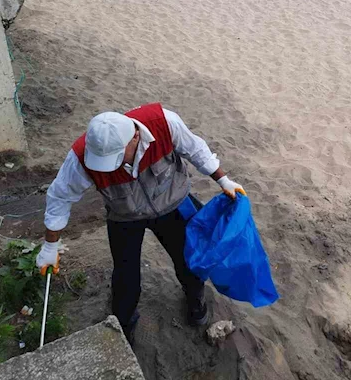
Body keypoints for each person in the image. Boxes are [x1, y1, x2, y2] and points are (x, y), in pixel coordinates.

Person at [35, 102, 246, 344]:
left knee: (189, 261)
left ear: (135, 137)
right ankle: (124, 325)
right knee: (125, 279)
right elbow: (60, 196)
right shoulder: (82, 155)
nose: (110, 166)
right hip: (124, 215)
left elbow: (196, 149)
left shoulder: (164, 123)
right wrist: (50, 245)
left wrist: (223, 180)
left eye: (115, 157)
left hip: (172, 204)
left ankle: (195, 299)